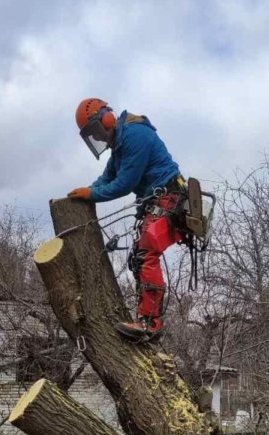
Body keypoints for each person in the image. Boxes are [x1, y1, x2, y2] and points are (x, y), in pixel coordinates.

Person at [68, 98, 186, 342]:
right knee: (137, 259)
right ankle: (143, 317)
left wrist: (92, 195)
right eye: (91, 135)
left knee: (146, 254)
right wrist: (88, 190)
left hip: (169, 198)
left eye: (95, 131)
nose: (98, 138)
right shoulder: (119, 146)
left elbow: (124, 184)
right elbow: (108, 176)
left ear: (106, 119)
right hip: (154, 201)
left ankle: (150, 323)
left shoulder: (135, 135)